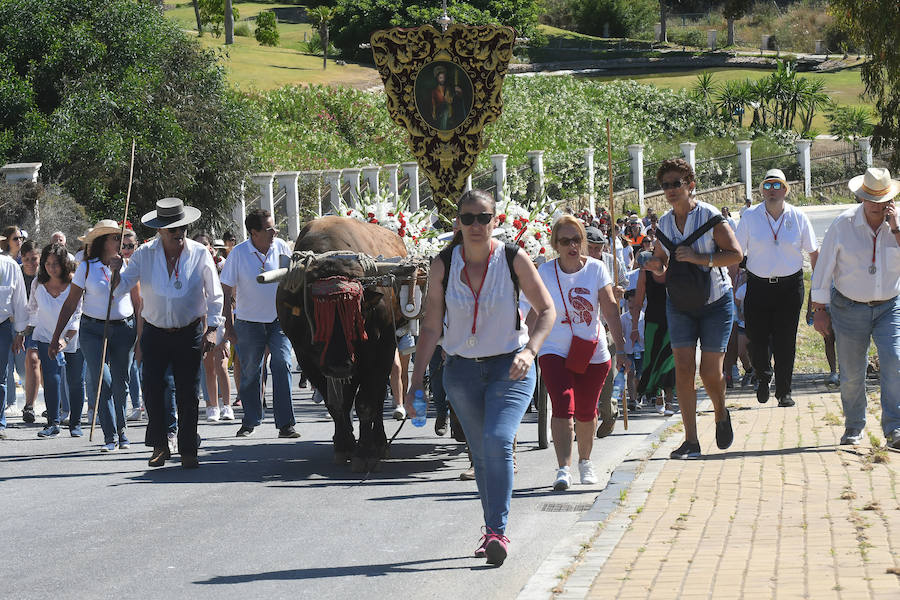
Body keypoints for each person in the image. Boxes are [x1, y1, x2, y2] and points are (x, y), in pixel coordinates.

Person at [405, 189, 555, 566]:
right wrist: (415, 381)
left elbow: (547, 310)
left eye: (483, 218)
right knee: (481, 453)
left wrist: (529, 351)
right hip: (461, 372)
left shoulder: (512, 258)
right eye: (468, 218)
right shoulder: (443, 264)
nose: (475, 225)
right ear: (457, 222)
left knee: (497, 440)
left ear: (494, 221)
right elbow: (430, 327)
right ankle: (491, 528)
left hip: (511, 368)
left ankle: (498, 531)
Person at [110, 198, 224, 468]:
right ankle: (160, 445)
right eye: (172, 228)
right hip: (155, 331)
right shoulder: (144, 254)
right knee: (153, 389)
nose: (179, 232)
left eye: (182, 226)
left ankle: (187, 448)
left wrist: (213, 329)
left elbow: (214, 292)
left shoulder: (199, 252)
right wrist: (115, 270)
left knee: (188, 391)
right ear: (160, 230)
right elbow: (120, 288)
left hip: (190, 331)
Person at [644, 158, 743, 459]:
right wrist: (654, 264)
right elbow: (662, 260)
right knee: (683, 369)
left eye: (677, 183)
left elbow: (735, 254)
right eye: (666, 185)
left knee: (710, 371)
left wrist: (700, 259)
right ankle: (691, 441)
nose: (671, 190)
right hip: (680, 303)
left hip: (715, 302)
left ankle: (720, 412)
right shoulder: (663, 223)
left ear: (690, 185)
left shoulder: (710, 216)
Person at [531, 216, 628, 491]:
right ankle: (563, 468)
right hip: (554, 349)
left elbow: (609, 308)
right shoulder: (545, 272)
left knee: (587, 412)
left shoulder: (596, 269)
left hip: (592, 350)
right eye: (565, 241)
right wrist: (525, 349)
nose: (572, 245)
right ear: (555, 245)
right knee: (563, 405)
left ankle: (585, 461)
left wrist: (621, 348)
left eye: (576, 239)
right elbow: (532, 312)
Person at [810, 168, 900, 449]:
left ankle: (895, 428)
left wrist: (896, 228)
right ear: (861, 197)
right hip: (848, 307)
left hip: (890, 305)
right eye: (871, 198)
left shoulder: (897, 223)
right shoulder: (843, 224)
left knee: (895, 361)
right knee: (851, 372)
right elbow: (824, 267)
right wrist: (819, 309)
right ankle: (854, 425)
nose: (877, 205)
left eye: (883, 198)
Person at [52, 220, 139, 452]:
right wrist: (56, 336)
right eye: (114, 238)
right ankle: (109, 436)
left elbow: (137, 302)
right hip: (92, 330)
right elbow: (71, 303)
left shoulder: (129, 264)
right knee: (103, 381)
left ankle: (122, 431)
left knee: (122, 384)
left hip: (124, 329)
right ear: (103, 242)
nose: (120, 242)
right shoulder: (85, 267)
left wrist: (118, 270)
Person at [735, 169, 818, 408]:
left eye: (777, 186)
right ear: (762, 191)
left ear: (785, 190)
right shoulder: (750, 216)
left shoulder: (798, 216)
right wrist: (732, 284)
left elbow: (814, 252)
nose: (772, 191)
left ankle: (784, 392)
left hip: (790, 288)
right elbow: (737, 253)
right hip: (758, 286)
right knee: (756, 339)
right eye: (767, 186)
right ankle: (763, 375)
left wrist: (818, 288)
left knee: (785, 341)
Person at [221, 209, 298, 439]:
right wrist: (229, 325)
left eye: (274, 227)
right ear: (253, 233)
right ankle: (250, 419)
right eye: (268, 229)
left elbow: (292, 280)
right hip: (248, 323)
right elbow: (226, 290)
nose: (274, 232)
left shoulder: (281, 247)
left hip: (278, 321)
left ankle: (286, 424)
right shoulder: (238, 253)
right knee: (250, 373)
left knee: (283, 364)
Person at [30, 244, 85, 437]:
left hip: (74, 338)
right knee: (52, 379)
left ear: (64, 264)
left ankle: (76, 423)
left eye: (56, 264)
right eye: (47, 263)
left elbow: (78, 314)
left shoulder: (74, 284)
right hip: (46, 336)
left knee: (76, 381)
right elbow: (32, 309)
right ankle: (53, 422)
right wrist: (24, 333)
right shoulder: (37, 283)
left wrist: (66, 340)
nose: (51, 268)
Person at [585, 227, 626, 437]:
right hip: (582, 330)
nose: (594, 253)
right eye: (590, 248)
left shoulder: (612, 262)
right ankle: (582, 421)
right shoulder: (574, 264)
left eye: (598, 249)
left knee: (608, 378)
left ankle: (610, 414)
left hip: (606, 326)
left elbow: (625, 285)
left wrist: (619, 292)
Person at [631, 250, 677, 416]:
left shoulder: (671, 270)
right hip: (652, 322)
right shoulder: (645, 275)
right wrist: (634, 327)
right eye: (644, 265)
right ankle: (658, 395)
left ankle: (670, 399)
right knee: (653, 359)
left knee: (669, 359)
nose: (646, 266)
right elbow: (637, 303)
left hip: (672, 319)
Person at [193, 232, 233, 422]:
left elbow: (228, 299)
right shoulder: (191, 268)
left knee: (222, 364)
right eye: (198, 244)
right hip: (202, 322)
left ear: (211, 247)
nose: (202, 248)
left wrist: (226, 332)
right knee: (208, 366)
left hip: (221, 319)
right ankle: (212, 406)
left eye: (205, 244)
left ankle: (227, 405)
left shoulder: (222, 266)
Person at [7, 240, 41, 421]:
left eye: (34, 258)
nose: (30, 263)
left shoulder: (46, 274)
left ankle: (31, 406)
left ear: (39, 257)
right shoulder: (16, 273)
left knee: (35, 361)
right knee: (27, 366)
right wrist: (19, 330)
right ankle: (31, 403)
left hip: (42, 324)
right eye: (26, 259)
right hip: (20, 325)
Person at [0, 236, 28, 440]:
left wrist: (20, 332)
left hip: (2, 324)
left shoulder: (10, 265)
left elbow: (20, 300)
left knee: (1, 375)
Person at [621, 289, 645, 412]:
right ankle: (632, 399)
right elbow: (620, 334)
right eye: (630, 301)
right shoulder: (624, 318)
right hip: (628, 350)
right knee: (630, 373)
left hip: (641, 350)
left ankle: (638, 395)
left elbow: (646, 337)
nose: (632, 304)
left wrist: (638, 337)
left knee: (638, 375)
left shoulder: (644, 318)